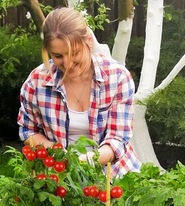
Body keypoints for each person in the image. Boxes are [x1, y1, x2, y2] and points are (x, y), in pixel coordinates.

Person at [17, 7, 141, 179]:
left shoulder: (118, 78)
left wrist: (85, 161)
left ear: (89, 41)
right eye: (58, 55)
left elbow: (117, 140)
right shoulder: (36, 82)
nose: (67, 63)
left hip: (115, 176)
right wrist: (60, 155)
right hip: (60, 178)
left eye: (74, 53)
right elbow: (28, 132)